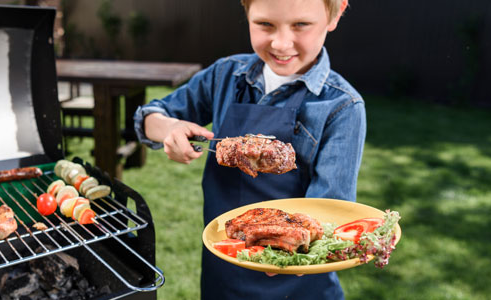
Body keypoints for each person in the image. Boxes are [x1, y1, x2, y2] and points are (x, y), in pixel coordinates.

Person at [134, 0, 364, 298]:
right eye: (265, 24)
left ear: (334, 14)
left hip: (299, 280)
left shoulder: (342, 106)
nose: (281, 43)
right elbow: (149, 116)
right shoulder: (225, 76)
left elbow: (331, 213)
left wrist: (279, 252)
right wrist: (170, 129)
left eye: (300, 25)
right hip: (224, 269)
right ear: (246, 12)